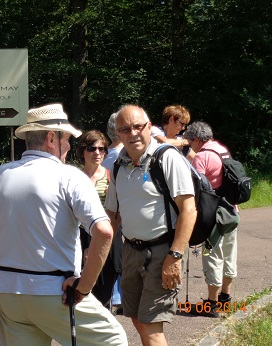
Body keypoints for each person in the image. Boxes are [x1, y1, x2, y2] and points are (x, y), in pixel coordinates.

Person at [0, 103, 127, 346]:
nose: (68, 145)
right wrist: (84, 287)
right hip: (54, 292)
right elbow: (104, 231)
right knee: (114, 340)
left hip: (8, 293)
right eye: (66, 138)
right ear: (51, 138)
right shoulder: (70, 176)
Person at [105, 104, 197, 346]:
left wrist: (175, 256)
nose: (133, 133)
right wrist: (96, 251)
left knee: (149, 324)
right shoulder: (118, 166)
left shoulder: (166, 158)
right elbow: (113, 216)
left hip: (164, 251)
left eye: (138, 126)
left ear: (149, 127)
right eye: (125, 129)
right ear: (118, 134)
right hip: (131, 252)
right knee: (136, 318)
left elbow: (189, 209)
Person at [183, 121, 238, 317]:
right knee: (229, 254)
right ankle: (225, 298)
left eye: (190, 142)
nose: (190, 146)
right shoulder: (222, 150)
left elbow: (195, 188)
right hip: (231, 212)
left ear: (197, 139)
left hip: (214, 215)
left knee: (212, 255)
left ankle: (211, 304)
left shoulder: (202, 156)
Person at [76, 130, 122, 309]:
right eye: (91, 148)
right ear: (82, 151)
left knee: (104, 292)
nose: (97, 152)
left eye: (102, 149)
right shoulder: (74, 178)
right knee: (80, 291)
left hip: (107, 238)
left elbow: (117, 214)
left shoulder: (112, 178)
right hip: (79, 238)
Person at [100, 111, 124, 314]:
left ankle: (115, 294)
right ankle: (120, 295)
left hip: (110, 210)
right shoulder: (124, 153)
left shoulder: (107, 155)